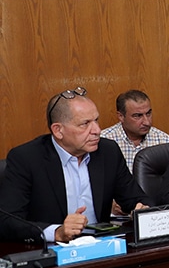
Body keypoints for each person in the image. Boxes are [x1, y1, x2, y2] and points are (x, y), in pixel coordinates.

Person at [0, 87, 148, 243]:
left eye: (96, 120)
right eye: (85, 124)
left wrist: (142, 209)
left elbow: (136, 198)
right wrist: (56, 232)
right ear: (58, 130)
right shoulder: (27, 158)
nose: (97, 130)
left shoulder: (107, 152)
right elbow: (6, 221)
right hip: (51, 250)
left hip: (101, 246)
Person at [100, 89, 169, 172]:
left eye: (148, 113)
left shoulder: (165, 142)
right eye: (137, 116)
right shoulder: (103, 141)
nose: (147, 122)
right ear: (121, 116)